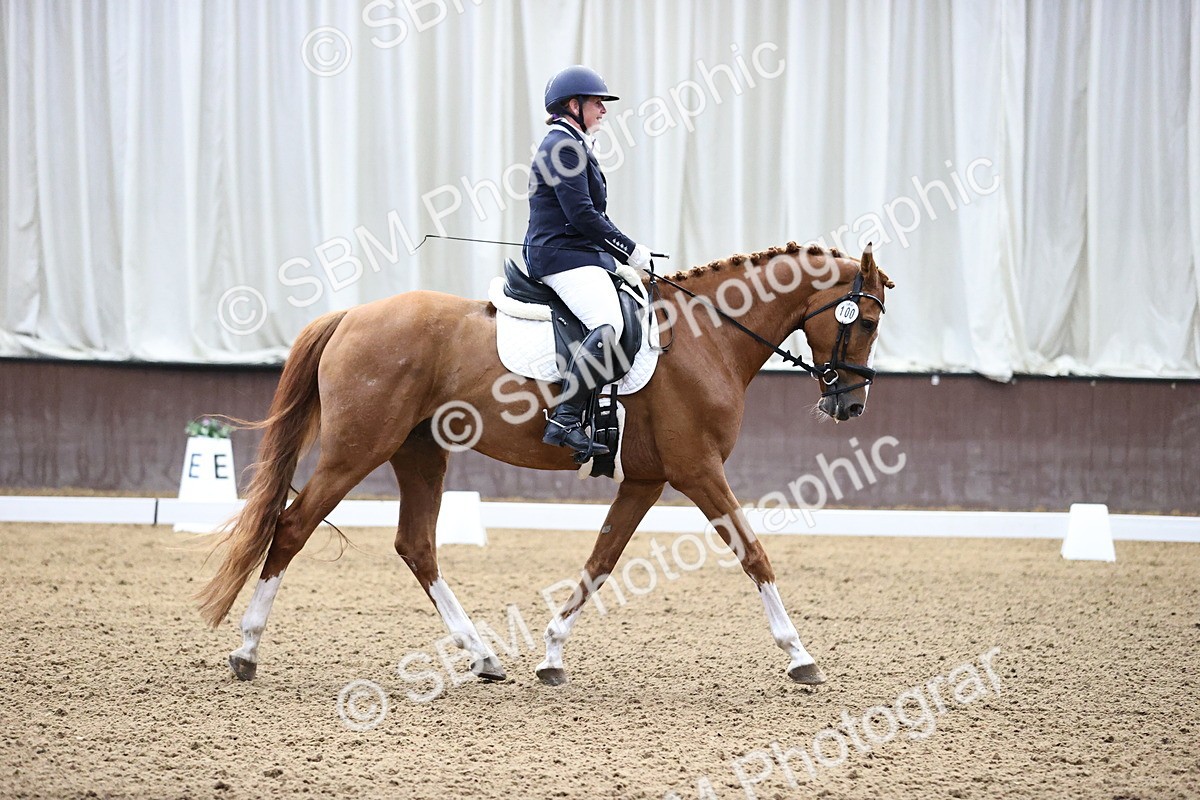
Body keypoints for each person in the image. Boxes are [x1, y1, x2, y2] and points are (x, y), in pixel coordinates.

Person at [523, 65, 654, 461]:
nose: (604, 110)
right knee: (608, 323)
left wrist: (620, 256)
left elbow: (589, 216)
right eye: (597, 102)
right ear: (572, 105)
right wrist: (627, 249)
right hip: (562, 257)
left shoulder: (574, 145)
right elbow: (581, 214)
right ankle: (565, 418)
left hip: (578, 254)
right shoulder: (562, 147)